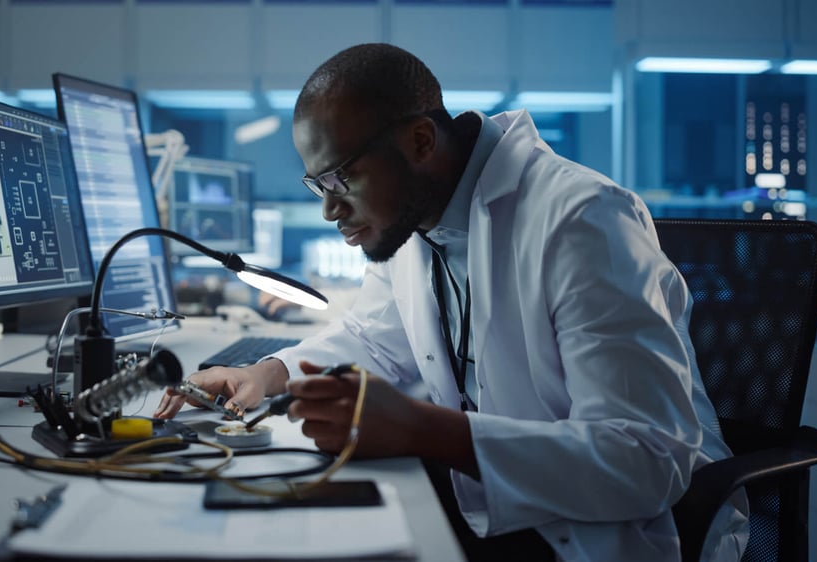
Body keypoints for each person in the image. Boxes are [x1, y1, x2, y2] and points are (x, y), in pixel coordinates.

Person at [155, 44, 747, 561]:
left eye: (341, 178)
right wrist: (266, 371)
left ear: (420, 141)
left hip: (604, 531)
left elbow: (645, 461)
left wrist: (421, 429)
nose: (330, 210)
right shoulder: (418, 222)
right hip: (491, 505)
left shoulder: (584, 220)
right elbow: (371, 340)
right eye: (319, 185)